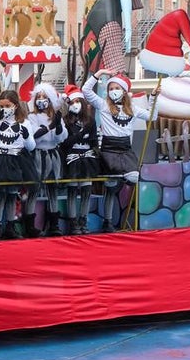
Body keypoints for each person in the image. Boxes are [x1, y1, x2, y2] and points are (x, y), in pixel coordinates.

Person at [82, 72, 157, 232]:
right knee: (111, 183)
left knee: (133, 177)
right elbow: (86, 91)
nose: (113, 91)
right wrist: (99, 74)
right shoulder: (103, 105)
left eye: (117, 88)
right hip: (109, 150)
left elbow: (153, 116)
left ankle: (117, 218)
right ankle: (108, 221)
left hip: (125, 149)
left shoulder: (133, 109)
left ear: (123, 91)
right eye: (111, 88)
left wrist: (153, 98)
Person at [0, 90, 34, 240]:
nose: (4, 109)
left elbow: (31, 146)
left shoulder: (25, 122)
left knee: (12, 194)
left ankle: (10, 227)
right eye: (1, 106)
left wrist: (26, 135)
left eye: (7, 105)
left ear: (15, 105)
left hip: (16, 160)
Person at [26, 84, 67, 237]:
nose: (41, 100)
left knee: (52, 189)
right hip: (38, 155)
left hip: (53, 155)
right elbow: (35, 135)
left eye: (45, 97)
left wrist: (58, 126)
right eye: (39, 97)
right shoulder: (32, 117)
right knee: (34, 188)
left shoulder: (55, 116)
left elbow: (61, 137)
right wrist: (50, 126)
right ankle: (30, 224)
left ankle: (54, 223)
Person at [59, 85, 100, 235]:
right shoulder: (65, 121)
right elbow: (65, 142)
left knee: (86, 189)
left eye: (78, 101)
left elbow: (94, 141)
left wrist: (93, 151)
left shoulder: (90, 121)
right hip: (71, 159)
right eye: (72, 102)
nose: (75, 104)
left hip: (87, 158)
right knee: (72, 189)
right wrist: (81, 134)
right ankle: (73, 222)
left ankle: (83, 220)